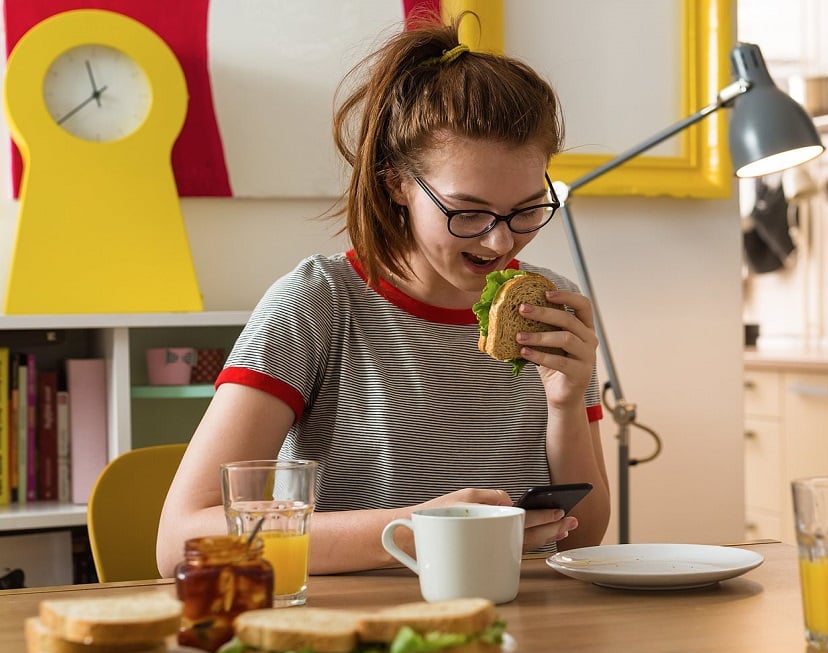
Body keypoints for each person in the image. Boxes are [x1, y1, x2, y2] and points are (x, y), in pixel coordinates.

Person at [155, 13, 610, 577]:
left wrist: (566, 404)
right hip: (361, 629)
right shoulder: (320, 302)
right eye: (467, 211)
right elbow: (182, 537)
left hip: (516, 620)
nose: (499, 240)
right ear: (396, 183)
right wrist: (419, 530)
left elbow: (582, 538)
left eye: (525, 209)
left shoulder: (552, 307)